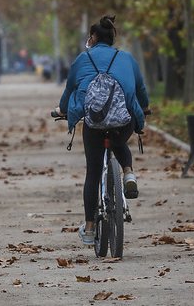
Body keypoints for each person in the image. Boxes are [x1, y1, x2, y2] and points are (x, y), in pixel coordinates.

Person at [56, 16, 149, 246]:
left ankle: (89, 228)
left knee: (94, 172)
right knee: (119, 142)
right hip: (123, 119)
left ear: (93, 37)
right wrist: (144, 108)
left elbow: (70, 90)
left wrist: (63, 110)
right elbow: (140, 88)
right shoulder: (126, 58)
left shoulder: (82, 58)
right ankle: (128, 173)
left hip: (94, 122)